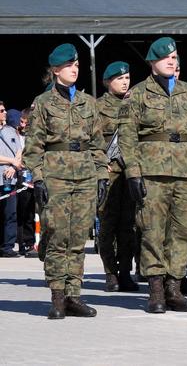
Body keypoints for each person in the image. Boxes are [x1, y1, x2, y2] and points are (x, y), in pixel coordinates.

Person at [118, 37, 187, 313]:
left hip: (184, 171)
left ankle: (174, 287)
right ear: (152, 62)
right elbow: (127, 136)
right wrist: (133, 172)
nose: (172, 61)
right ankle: (156, 288)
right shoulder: (138, 94)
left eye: (174, 57)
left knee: (182, 231)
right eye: (166, 57)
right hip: (152, 171)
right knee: (152, 230)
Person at [23, 43, 109, 319]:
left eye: (77, 65)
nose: (75, 69)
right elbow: (34, 146)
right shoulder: (44, 103)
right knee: (57, 235)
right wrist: (38, 178)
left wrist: (102, 174)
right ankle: (57, 296)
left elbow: (98, 144)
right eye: (69, 65)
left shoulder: (88, 103)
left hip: (85, 174)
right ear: (56, 70)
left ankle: (74, 295)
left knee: (78, 236)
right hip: (55, 175)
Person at [96, 61, 139, 292]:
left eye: (127, 78)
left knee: (128, 226)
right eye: (119, 78)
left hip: (130, 172)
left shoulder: (135, 103)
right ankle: (110, 273)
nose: (125, 82)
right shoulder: (97, 107)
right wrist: (101, 164)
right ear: (108, 82)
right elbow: (92, 140)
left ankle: (125, 272)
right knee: (108, 225)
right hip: (110, 172)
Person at [15, 108, 38, 257]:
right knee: (20, 213)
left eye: (26, 123)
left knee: (31, 212)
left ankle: (30, 243)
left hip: (33, 179)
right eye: (21, 122)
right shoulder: (16, 136)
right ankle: (21, 242)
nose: (23, 126)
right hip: (21, 179)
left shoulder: (35, 136)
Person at [1, 106, 23, 257]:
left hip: (9, 178)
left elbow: (20, 151)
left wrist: (14, 167)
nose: (5, 113)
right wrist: (12, 161)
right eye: (1, 110)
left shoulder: (11, 131)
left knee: (10, 213)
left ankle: (7, 246)